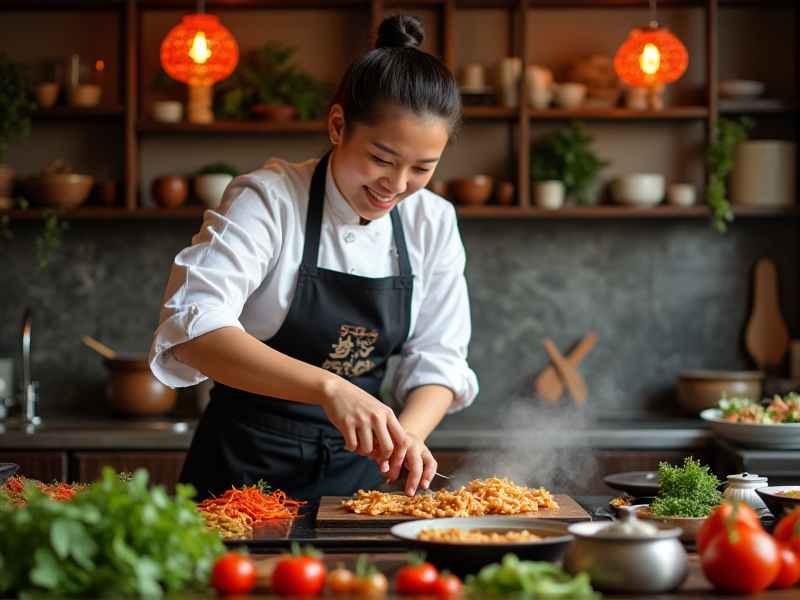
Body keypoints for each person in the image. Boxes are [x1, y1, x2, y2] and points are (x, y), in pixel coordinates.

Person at [149, 14, 478, 502]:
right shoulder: (267, 200)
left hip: (359, 482)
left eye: (422, 168)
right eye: (383, 159)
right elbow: (195, 328)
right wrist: (331, 389)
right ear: (338, 124)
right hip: (240, 472)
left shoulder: (432, 222)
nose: (397, 184)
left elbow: (439, 359)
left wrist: (405, 438)